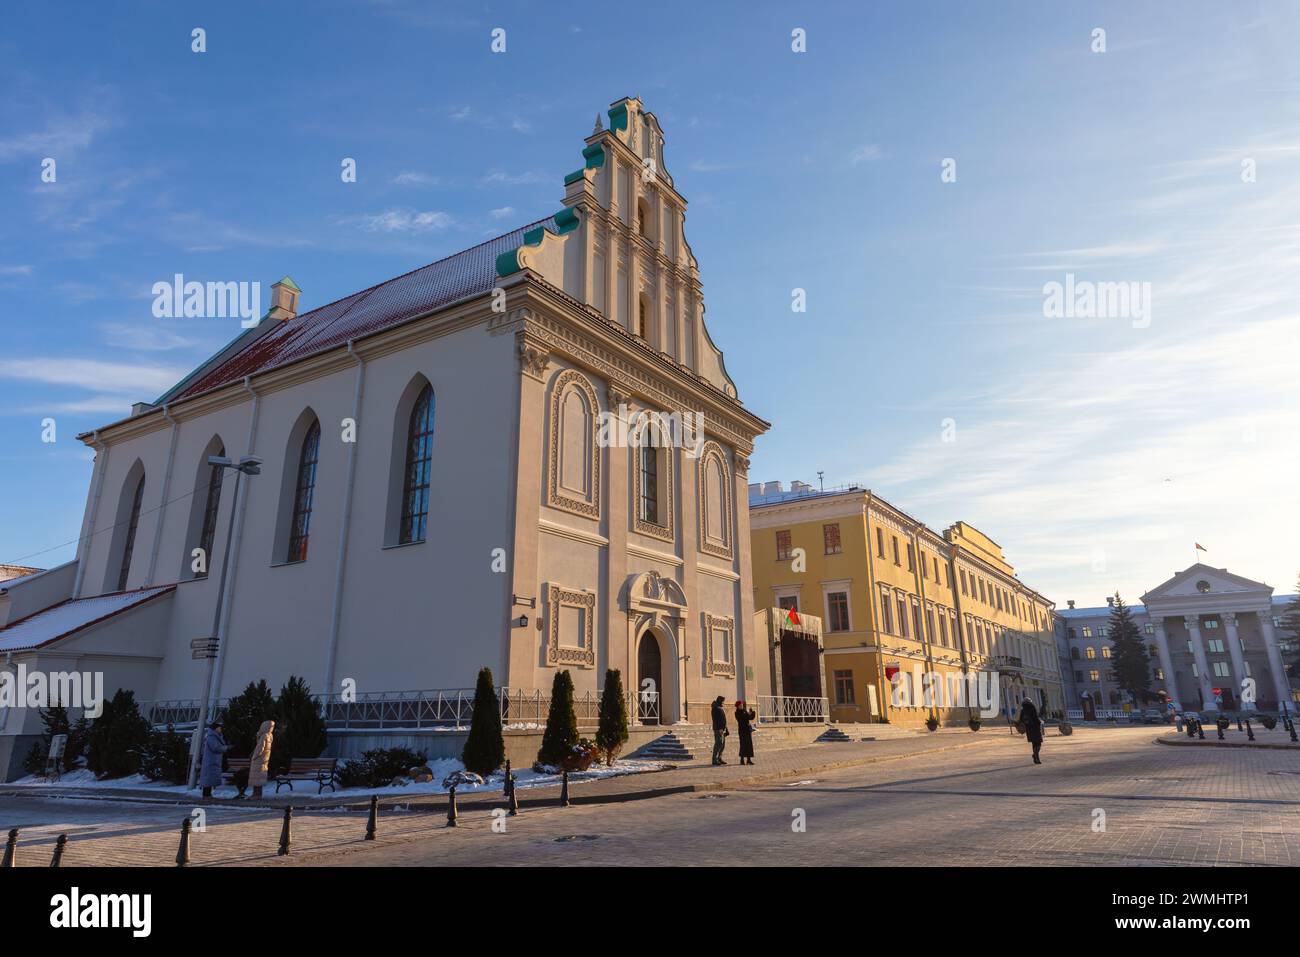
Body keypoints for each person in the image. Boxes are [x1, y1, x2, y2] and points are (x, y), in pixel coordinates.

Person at [199, 721, 231, 798]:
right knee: (208, 778)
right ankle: (206, 794)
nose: (221, 729)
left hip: (213, 760)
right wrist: (226, 748)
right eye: (219, 728)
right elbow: (215, 748)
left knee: (210, 778)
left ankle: (207, 794)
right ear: (215, 729)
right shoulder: (212, 737)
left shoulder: (215, 736)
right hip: (211, 761)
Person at [247, 719, 275, 800]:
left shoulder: (264, 736)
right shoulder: (270, 735)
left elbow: (260, 748)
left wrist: (254, 757)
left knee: (256, 778)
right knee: (259, 778)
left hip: (258, 760)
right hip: (264, 760)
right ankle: (258, 794)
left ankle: (256, 795)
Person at [1017, 697, 1044, 764]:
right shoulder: (1032, 707)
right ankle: (1035, 756)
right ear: (1030, 701)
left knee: (1034, 743)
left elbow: (1020, 720)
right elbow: (1035, 717)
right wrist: (1040, 722)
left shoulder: (1023, 709)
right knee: (1039, 743)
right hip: (1035, 727)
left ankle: (1036, 758)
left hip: (1028, 728)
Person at [734, 700, 756, 765]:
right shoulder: (737, 712)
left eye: (742, 705)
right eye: (740, 705)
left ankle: (749, 760)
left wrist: (752, 712)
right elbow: (740, 719)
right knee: (743, 745)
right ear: (737, 706)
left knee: (749, 745)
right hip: (742, 731)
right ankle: (742, 760)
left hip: (747, 730)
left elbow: (750, 718)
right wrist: (746, 714)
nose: (742, 706)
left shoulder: (744, 711)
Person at [710, 696, 729, 765]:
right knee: (718, 744)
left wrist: (725, 729)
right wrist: (720, 728)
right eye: (723, 701)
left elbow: (723, 720)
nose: (723, 703)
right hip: (718, 729)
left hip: (722, 729)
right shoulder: (715, 708)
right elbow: (716, 720)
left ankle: (719, 758)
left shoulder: (719, 708)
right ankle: (714, 759)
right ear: (720, 701)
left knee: (722, 744)